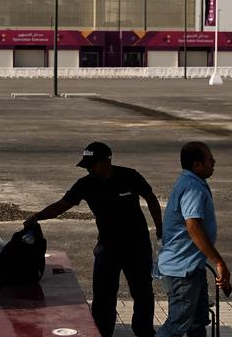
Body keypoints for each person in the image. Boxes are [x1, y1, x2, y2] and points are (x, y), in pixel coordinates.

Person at [25, 141, 163, 337]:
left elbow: (151, 198)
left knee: (143, 294)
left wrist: (160, 230)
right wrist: (36, 216)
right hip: (108, 247)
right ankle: (102, 332)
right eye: (86, 165)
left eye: (92, 164)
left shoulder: (129, 176)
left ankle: (143, 331)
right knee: (104, 297)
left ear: (107, 161)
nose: (89, 169)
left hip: (137, 246)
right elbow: (61, 205)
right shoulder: (85, 184)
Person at [155, 141, 230, 337]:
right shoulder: (192, 188)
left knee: (197, 323)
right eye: (209, 159)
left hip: (191, 267)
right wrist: (219, 261)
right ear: (197, 165)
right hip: (182, 270)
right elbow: (193, 227)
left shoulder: (191, 183)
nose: (214, 162)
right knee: (176, 325)